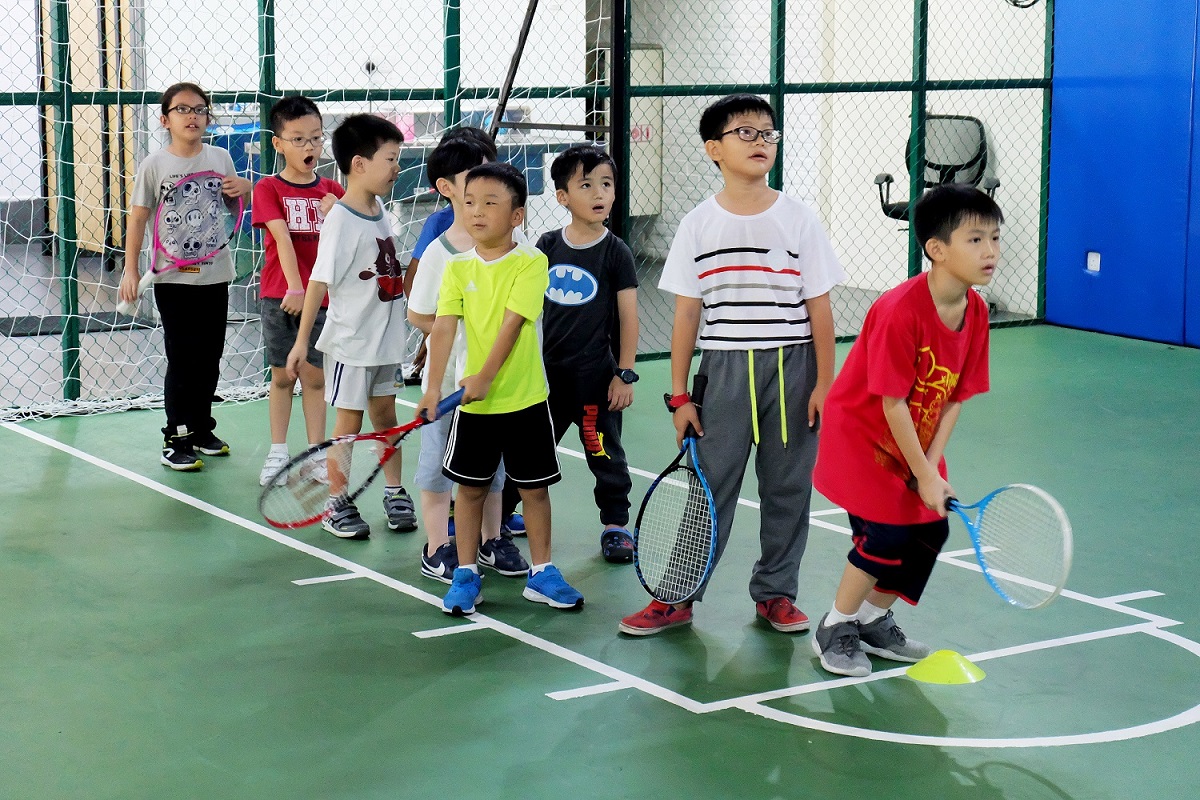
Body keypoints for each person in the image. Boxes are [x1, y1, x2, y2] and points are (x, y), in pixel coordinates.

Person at [618, 94, 845, 636]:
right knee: (710, 485)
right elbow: (686, 315)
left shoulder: (799, 219)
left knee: (788, 486)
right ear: (713, 149)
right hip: (721, 370)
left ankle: (776, 593)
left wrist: (824, 384)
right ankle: (677, 597)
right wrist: (678, 395)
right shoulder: (697, 225)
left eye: (769, 133)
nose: (761, 141)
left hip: (793, 370)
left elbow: (820, 308)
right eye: (746, 132)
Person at [810, 183, 1000, 677]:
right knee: (886, 536)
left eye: (995, 239)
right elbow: (891, 402)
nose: (991, 251)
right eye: (976, 239)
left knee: (930, 529)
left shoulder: (976, 311)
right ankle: (835, 625)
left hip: (914, 440)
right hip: (863, 440)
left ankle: (873, 620)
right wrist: (921, 470)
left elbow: (956, 395)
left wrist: (930, 468)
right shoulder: (899, 311)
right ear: (936, 250)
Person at [417, 162, 583, 616]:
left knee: (534, 490)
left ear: (517, 216)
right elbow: (444, 329)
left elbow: (513, 324)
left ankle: (543, 573)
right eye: (470, 202)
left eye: (491, 202)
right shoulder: (455, 267)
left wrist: (486, 376)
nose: (477, 211)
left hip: (525, 400)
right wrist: (433, 388)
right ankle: (467, 574)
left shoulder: (531, 261)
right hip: (474, 410)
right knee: (469, 491)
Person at [285, 113, 417, 540]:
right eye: (391, 159)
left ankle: (395, 492)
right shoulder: (340, 219)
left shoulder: (379, 209)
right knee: (348, 425)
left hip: (385, 342)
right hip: (351, 344)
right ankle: (335, 503)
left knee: (386, 417)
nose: (397, 168)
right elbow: (318, 282)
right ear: (359, 164)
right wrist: (302, 342)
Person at [407, 133, 528, 583]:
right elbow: (419, 315)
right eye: (472, 180)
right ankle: (438, 546)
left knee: (491, 468)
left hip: (495, 387)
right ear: (448, 189)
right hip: (451, 385)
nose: (485, 188)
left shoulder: (515, 249)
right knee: (439, 464)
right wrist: (457, 332)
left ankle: (491, 540)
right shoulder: (442, 254)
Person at [118, 82, 253, 471]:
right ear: (165, 119)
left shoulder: (221, 157)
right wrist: (131, 269)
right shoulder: (155, 165)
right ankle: (175, 435)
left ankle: (200, 428)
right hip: (172, 278)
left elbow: (233, 202)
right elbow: (139, 217)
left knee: (210, 356)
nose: (192, 116)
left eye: (199, 109)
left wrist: (243, 188)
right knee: (183, 356)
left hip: (215, 274)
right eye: (182, 109)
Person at [520, 144, 640, 563]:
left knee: (604, 452)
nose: (598, 193)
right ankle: (503, 518)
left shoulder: (617, 252)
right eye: (586, 184)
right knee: (530, 451)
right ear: (562, 197)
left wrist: (623, 374)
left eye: (605, 184)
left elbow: (629, 318)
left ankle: (616, 525)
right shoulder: (547, 245)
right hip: (545, 380)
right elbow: (525, 308)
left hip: (595, 380)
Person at [253, 96, 344, 486]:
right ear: (279, 144)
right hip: (282, 295)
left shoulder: (334, 192)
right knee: (282, 376)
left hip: (324, 300)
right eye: (298, 140)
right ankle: (277, 452)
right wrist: (294, 286)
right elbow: (282, 239)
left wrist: (337, 212)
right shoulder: (268, 188)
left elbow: (356, 241)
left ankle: (317, 453)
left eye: (315, 139)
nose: (309, 148)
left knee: (316, 379)